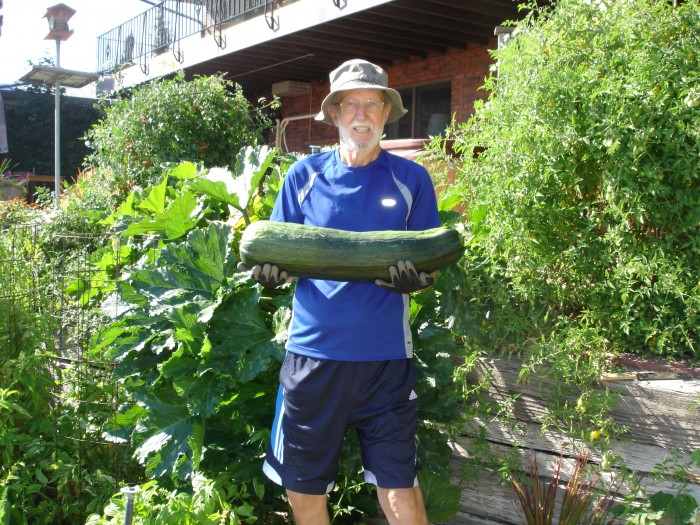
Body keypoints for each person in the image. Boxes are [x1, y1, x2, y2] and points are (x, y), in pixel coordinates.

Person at [242, 59, 439, 525]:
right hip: (313, 360)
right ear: (334, 114)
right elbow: (278, 252)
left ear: (385, 113)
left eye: (372, 103)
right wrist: (272, 274)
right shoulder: (302, 177)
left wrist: (420, 279)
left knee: (401, 493)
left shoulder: (412, 180)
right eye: (351, 104)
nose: (362, 114)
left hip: (386, 362)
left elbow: (431, 263)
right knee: (303, 491)